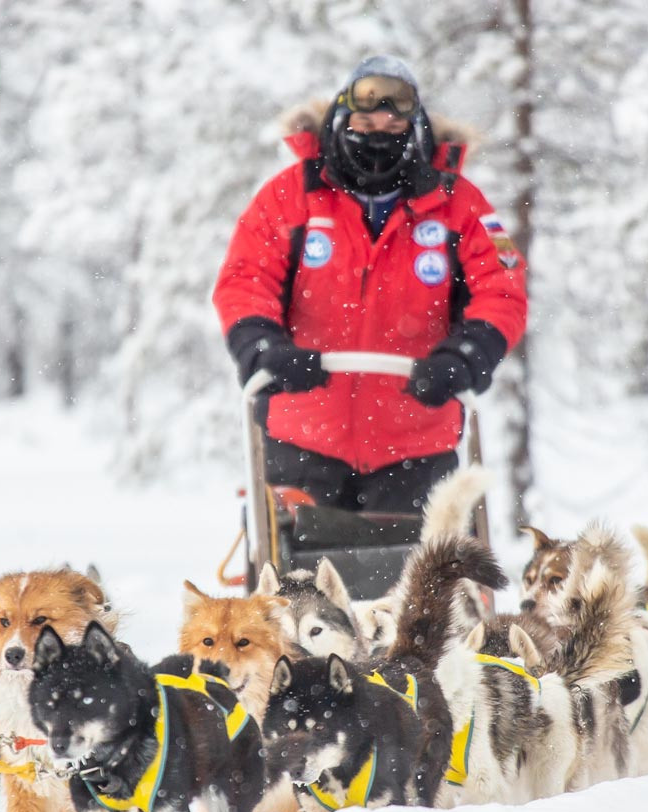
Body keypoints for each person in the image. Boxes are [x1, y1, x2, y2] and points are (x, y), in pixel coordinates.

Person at [213, 55, 528, 514]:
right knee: (291, 561)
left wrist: (464, 357)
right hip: (303, 435)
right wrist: (264, 349)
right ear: (341, 119)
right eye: (365, 120)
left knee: (424, 564)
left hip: (416, 442)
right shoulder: (289, 196)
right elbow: (245, 279)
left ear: (416, 127)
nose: (379, 131)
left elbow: (502, 289)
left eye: (394, 122)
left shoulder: (461, 205)